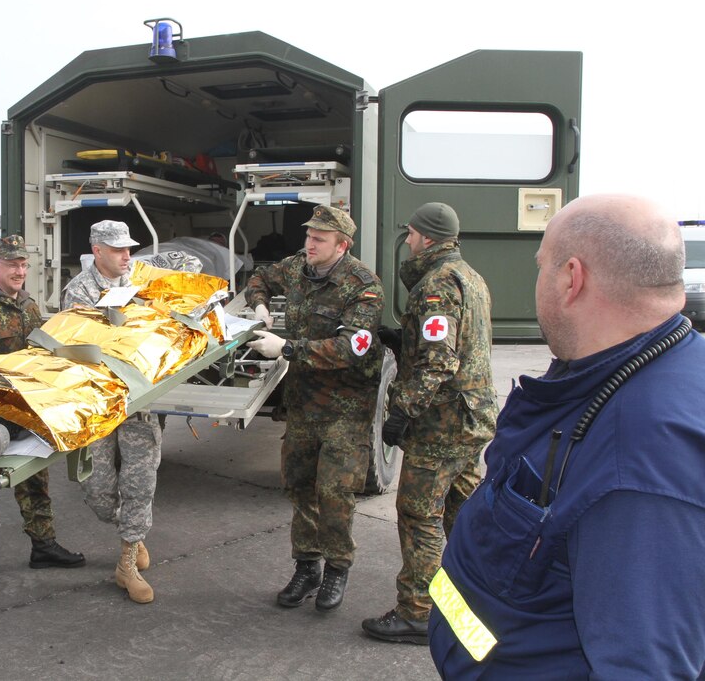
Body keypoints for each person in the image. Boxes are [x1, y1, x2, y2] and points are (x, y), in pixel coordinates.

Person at [428, 194, 705, 678]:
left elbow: (644, 665)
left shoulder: (636, 462)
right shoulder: (639, 371)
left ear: (571, 278)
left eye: (541, 266)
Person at [362, 202, 497, 644]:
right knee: (462, 514)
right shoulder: (470, 277)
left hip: (443, 425)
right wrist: (401, 339)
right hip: (471, 418)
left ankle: (418, 612)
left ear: (426, 237)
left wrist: (402, 410)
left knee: (419, 515)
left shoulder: (435, 285)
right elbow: (457, 343)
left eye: (413, 234)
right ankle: (473, 602)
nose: (409, 240)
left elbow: (440, 362)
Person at [245, 204, 384, 612]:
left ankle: (337, 569)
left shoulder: (363, 286)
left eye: (319, 239)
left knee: (335, 492)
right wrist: (260, 305)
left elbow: (350, 348)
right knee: (300, 484)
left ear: (342, 246)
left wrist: (286, 347)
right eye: (308, 236)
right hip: (304, 403)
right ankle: (307, 567)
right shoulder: (296, 267)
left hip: (345, 407)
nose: (310, 243)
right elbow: (259, 277)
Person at [0, 234, 85, 587]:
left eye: (23, 264)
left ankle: (43, 546)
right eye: (12, 264)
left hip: (26, 406)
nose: (19, 270)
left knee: (35, 477)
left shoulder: (28, 306)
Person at [61, 219, 161, 604]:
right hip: (99, 401)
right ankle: (132, 533)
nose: (126, 255)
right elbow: (75, 349)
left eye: (129, 248)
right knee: (99, 491)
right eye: (118, 249)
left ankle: (128, 560)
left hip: (139, 401)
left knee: (140, 480)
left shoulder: (141, 281)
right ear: (97, 250)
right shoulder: (79, 292)